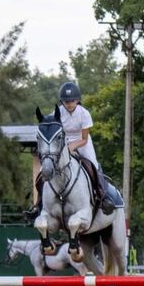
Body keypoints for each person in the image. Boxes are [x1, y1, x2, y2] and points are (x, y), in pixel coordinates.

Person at [25, 82, 115, 220]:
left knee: (93, 165)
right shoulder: (57, 113)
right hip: (63, 142)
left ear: (77, 100)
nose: (69, 104)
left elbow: (84, 138)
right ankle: (39, 203)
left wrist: (72, 147)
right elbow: (51, 132)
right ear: (62, 101)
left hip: (82, 142)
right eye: (66, 101)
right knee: (46, 169)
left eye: (72, 101)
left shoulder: (84, 114)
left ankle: (103, 197)